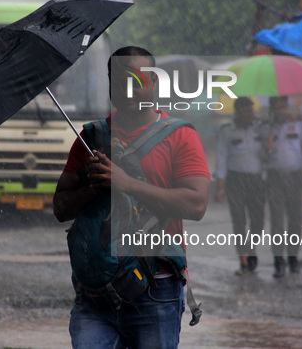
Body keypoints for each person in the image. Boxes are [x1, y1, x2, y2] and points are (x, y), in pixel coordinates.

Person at [53, 46, 211, 348]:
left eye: (138, 81)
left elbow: (196, 204)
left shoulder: (180, 136)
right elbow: (60, 208)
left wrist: (126, 183)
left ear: (153, 84)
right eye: (121, 81)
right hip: (95, 291)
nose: (129, 90)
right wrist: (92, 188)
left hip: (157, 287)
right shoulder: (90, 138)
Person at [262, 96, 302, 278]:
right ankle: (279, 261)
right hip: (275, 179)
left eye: (283, 107)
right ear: (272, 110)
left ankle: (293, 257)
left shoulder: (299, 125)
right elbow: (259, 158)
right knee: (277, 222)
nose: (281, 111)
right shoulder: (265, 128)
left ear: (287, 107)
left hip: (295, 177)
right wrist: (267, 147)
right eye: (277, 108)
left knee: (295, 219)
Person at [213, 97, 264, 275]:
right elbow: (221, 158)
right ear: (238, 112)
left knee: (258, 221)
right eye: (246, 111)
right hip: (235, 180)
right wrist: (220, 185)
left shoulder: (261, 128)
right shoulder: (226, 131)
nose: (249, 114)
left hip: (257, 180)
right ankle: (243, 260)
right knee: (239, 220)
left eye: (251, 111)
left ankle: (251, 247)